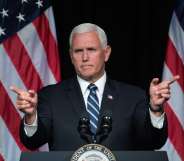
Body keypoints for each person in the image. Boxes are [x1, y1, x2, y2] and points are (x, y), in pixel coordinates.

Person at [11, 23, 179, 151]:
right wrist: (31, 116)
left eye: (91, 49)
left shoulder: (133, 96)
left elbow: (154, 141)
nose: (85, 57)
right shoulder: (51, 96)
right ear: (71, 56)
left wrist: (156, 109)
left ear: (106, 53)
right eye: (78, 51)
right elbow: (32, 142)